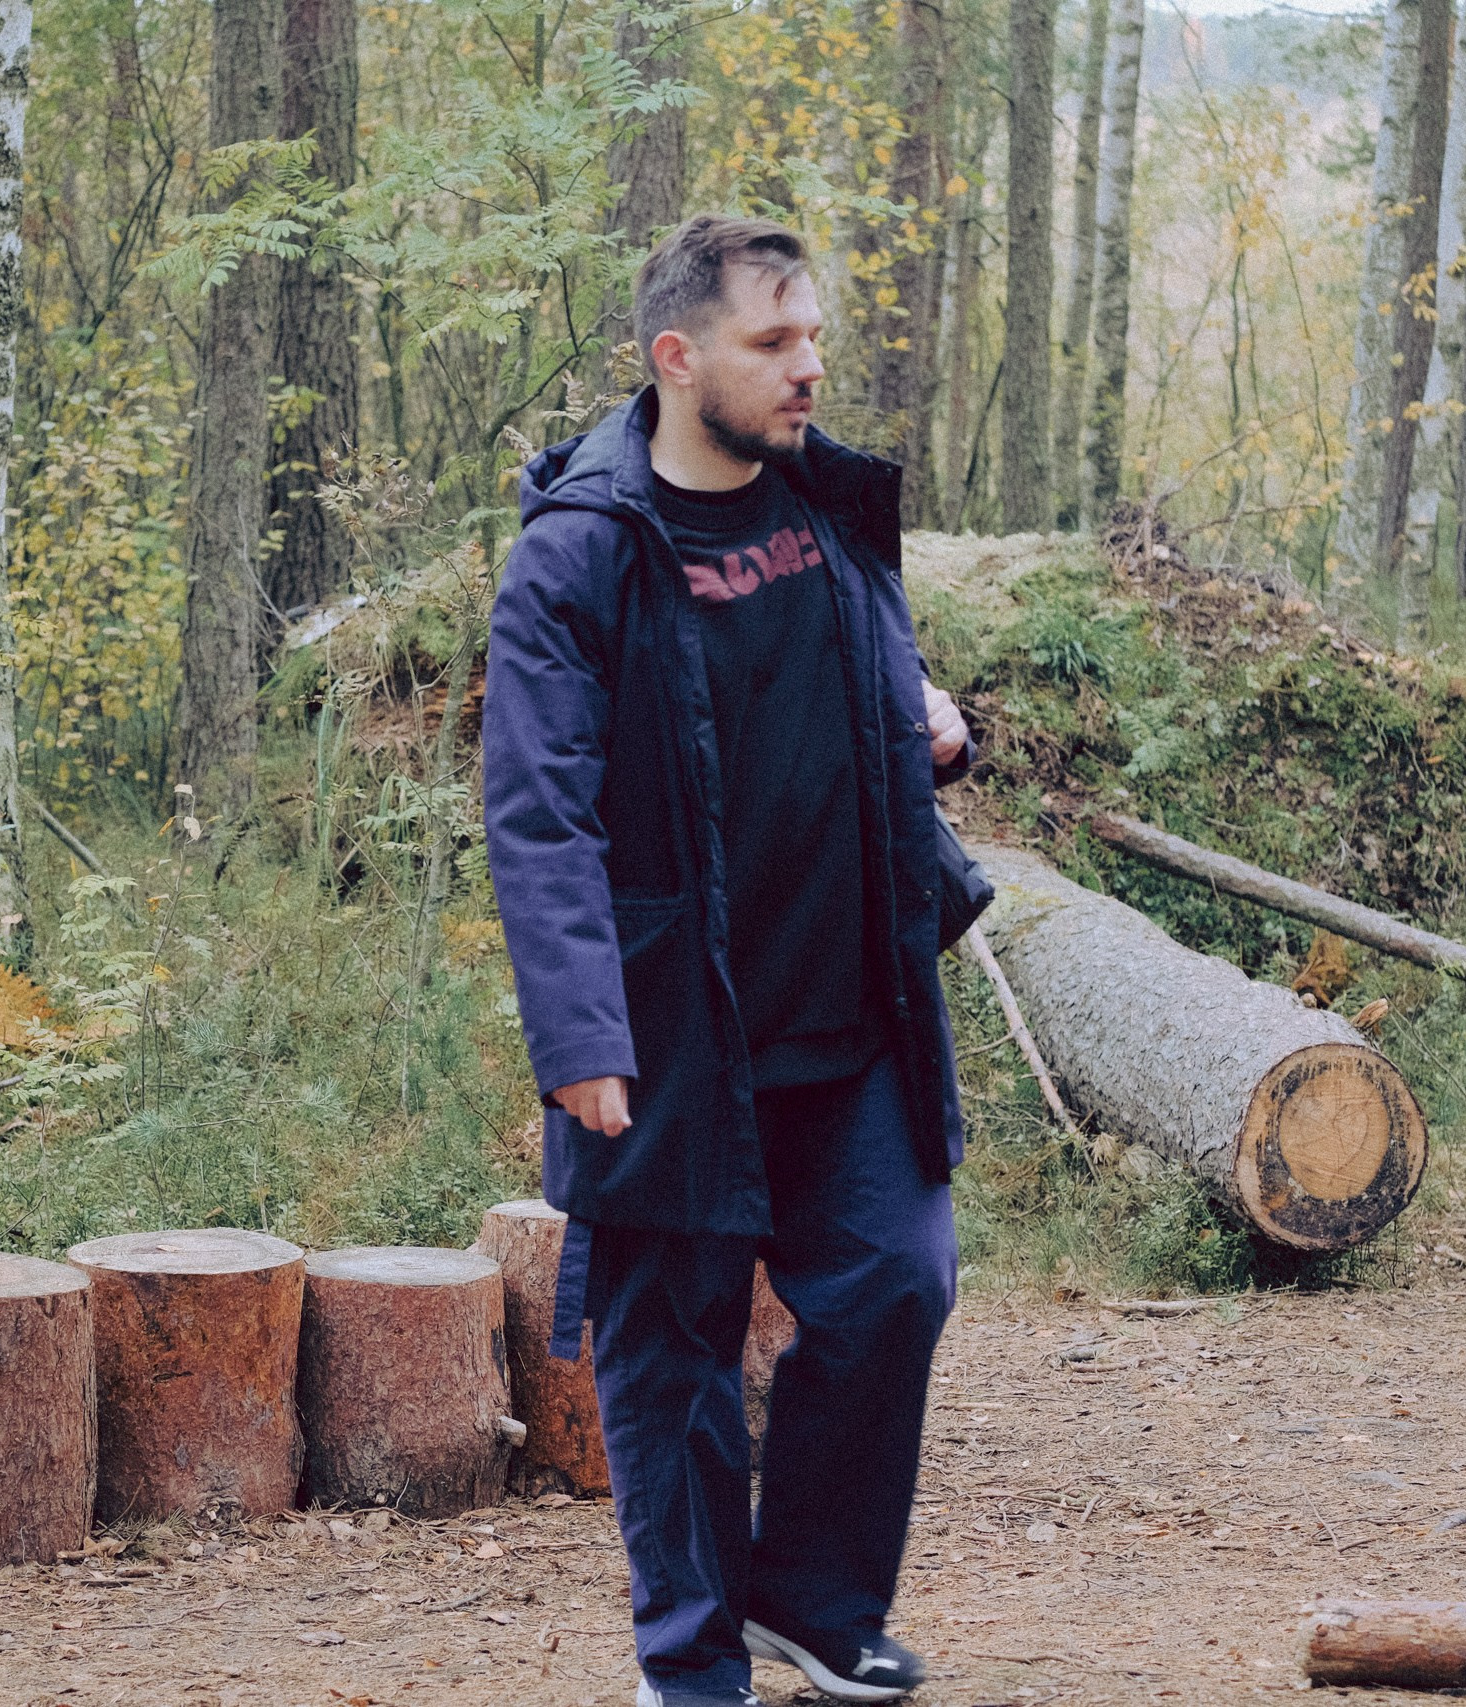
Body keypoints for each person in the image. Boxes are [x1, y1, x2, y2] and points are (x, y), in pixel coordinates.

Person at [481, 214, 975, 1707]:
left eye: (813, 335)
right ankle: (691, 1661)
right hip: (675, 1030)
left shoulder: (831, 506)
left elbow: (863, 697)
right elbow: (537, 809)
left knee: (897, 1287)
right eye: (775, 341)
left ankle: (813, 1603)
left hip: (854, 1007)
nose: (808, 366)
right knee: (673, 1357)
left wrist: (930, 734)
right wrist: (579, 1036)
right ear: (677, 357)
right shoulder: (578, 555)